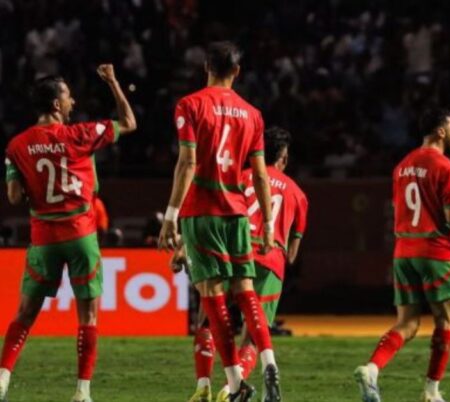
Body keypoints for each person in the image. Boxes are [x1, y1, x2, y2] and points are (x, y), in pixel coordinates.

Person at [0, 65, 137, 402]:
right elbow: (130, 123)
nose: (72, 100)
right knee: (87, 315)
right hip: (80, 234)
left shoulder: (16, 146)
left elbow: (15, 197)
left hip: (44, 237)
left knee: (25, 314)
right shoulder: (81, 134)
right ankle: (81, 391)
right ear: (57, 105)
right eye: (68, 95)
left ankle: (2, 378)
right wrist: (114, 83)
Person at [158, 41, 280, 402]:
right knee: (245, 291)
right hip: (239, 214)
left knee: (212, 298)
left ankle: (233, 379)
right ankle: (269, 361)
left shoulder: (191, 104)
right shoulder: (253, 114)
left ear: (205, 67)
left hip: (203, 211)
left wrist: (170, 217)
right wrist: (269, 225)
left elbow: (188, 163)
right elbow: (259, 175)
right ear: (237, 72)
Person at [354, 108, 450, 402]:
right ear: (441, 131)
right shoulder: (446, 167)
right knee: (444, 322)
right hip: (435, 251)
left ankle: (372, 369)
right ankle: (431, 391)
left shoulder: (401, 166)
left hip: (404, 251)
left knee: (407, 323)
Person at [178, 127, 309, 402]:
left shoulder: (238, 177)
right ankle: (231, 389)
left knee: (207, 320)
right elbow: (293, 254)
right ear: (283, 158)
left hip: (233, 251)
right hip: (271, 260)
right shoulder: (299, 195)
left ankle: (204, 386)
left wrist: (183, 246)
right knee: (252, 336)